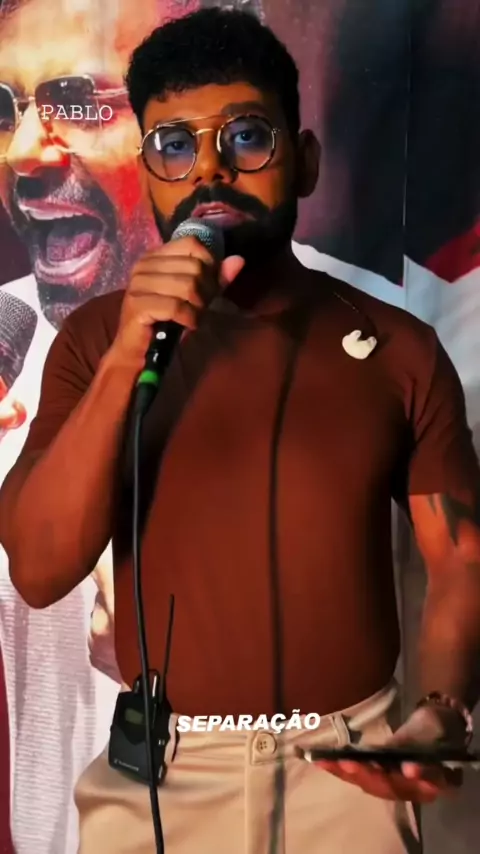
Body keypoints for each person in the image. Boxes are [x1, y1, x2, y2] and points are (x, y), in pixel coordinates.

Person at [1, 7, 480, 854]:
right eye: (173, 145)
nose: (209, 171)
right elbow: (39, 570)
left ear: (307, 161)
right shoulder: (94, 339)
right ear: (149, 173)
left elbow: (461, 561)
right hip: (162, 777)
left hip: (348, 774)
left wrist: (444, 709)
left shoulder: (399, 347)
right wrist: (127, 354)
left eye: (247, 137)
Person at [0, 0, 194, 851]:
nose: (21, 152)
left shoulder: (347, 336)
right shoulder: (4, 339)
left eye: (78, 103)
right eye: (5, 107)